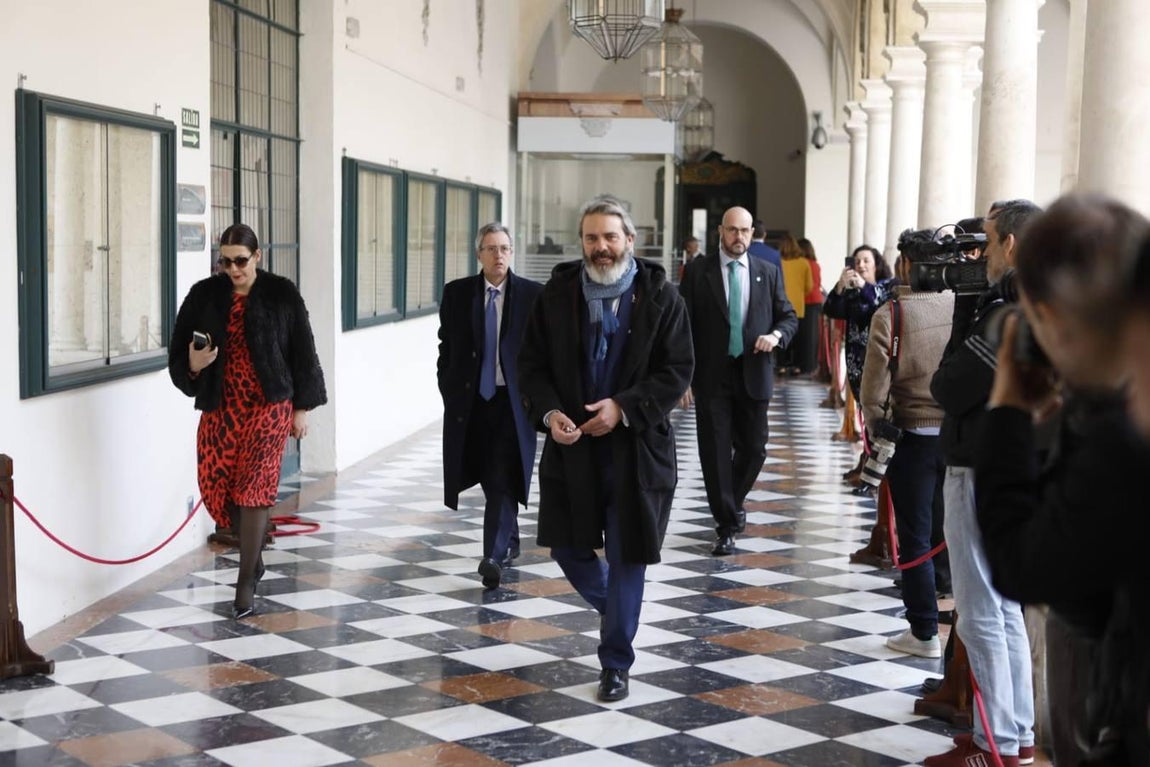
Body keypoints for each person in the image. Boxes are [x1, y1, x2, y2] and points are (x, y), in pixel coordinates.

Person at [974, 194, 1150, 767]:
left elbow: (1023, 563)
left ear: (1050, 320)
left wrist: (1007, 413)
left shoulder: (1122, 449)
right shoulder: (1113, 430)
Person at [518, 197, 693, 703]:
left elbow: (677, 370)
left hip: (636, 450)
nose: (601, 248)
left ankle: (616, 661)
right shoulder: (556, 295)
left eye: (610, 237)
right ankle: (619, 609)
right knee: (568, 548)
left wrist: (622, 407)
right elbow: (531, 366)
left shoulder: (661, 297)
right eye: (592, 238)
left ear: (630, 241)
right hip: (572, 447)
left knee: (626, 556)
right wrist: (551, 414)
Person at [926, 200, 1042, 767]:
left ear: (1013, 245)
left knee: (979, 613)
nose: (984, 255)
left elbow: (947, 387)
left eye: (990, 243)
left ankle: (993, 744)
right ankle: (1015, 735)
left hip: (980, 467)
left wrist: (965, 309)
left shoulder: (1008, 311)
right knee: (1005, 609)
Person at [169, 223, 327, 620]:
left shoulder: (281, 293)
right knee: (218, 485)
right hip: (221, 403)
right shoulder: (204, 295)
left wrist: (301, 407)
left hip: (269, 403)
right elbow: (178, 348)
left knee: (254, 486)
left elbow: (303, 350)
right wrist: (192, 363)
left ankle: (244, 585)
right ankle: (253, 558)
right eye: (226, 261)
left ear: (258, 256)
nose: (233, 269)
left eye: (241, 260)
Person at [679, 207, 797, 556]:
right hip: (711, 376)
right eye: (732, 230)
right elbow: (683, 326)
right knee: (714, 454)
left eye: (745, 230)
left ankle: (731, 501)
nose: (739, 237)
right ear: (720, 231)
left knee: (755, 448)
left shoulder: (768, 272)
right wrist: (682, 377)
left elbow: (788, 316)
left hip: (754, 373)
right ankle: (727, 524)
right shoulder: (698, 272)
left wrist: (776, 335)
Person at [859, 230, 954, 660]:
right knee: (948, 531)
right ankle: (952, 619)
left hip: (912, 438)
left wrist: (876, 423)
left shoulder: (892, 314)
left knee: (913, 536)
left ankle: (923, 630)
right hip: (956, 438)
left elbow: (873, 389)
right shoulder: (961, 305)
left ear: (904, 266)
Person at [437, 223, 543, 589]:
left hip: (512, 404)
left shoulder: (532, 295)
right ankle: (508, 540)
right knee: (488, 475)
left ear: (512, 253)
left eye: (505, 248)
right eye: (491, 249)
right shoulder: (457, 294)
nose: (499, 255)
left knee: (501, 476)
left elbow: (542, 354)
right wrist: (448, 388)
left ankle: (492, 556)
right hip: (471, 403)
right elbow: (445, 347)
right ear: (478, 254)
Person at [778, 235, 814, 376]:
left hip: (781, 304)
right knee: (798, 338)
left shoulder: (779, 262)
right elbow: (809, 286)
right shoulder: (804, 263)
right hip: (798, 305)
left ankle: (781, 365)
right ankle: (797, 366)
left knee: (780, 335)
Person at [794, 237, 824, 374]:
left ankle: (804, 365)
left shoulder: (802, 264)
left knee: (804, 336)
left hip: (806, 301)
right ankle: (809, 365)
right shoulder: (815, 264)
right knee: (811, 336)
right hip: (815, 301)